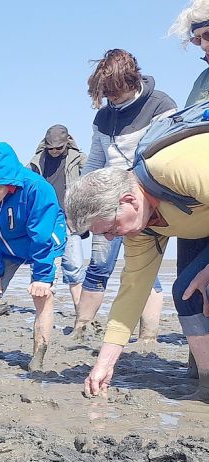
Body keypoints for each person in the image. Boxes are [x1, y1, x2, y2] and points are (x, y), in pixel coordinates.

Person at [65, 138, 209, 401]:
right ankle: (206, 387)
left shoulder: (175, 169)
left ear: (129, 200)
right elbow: (132, 293)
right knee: (188, 292)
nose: (111, 238)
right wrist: (105, 364)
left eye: (110, 228)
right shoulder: (140, 230)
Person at [72, 50, 176, 349]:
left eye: (115, 93)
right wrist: (81, 198)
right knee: (98, 266)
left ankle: (147, 337)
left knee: (145, 270)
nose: (111, 100)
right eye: (106, 95)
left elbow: (163, 155)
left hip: (145, 200)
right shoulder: (104, 116)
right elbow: (94, 162)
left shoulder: (161, 105)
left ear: (131, 80)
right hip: (107, 202)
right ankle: (81, 329)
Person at [0, 143, 67, 371]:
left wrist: (42, 276)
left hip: (44, 240)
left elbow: (41, 235)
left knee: (42, 296)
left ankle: (37, 361)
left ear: (9, 181)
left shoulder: (37, 188)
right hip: (6, 246)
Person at [169, 1, 209, 377]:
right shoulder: (201, 82)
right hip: (195, 201)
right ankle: (199, 367)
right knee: (189, 289)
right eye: (198, 40)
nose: (203, 45)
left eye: (208, 35)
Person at [27, 124, 87, 308]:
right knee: (42, 266)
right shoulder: (35, 162)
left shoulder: (80, 159)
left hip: (70, 220)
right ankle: (43, 311)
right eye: (50, 147)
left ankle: (81, 315)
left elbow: (92, 183)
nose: (53, 151)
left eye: (58, 148)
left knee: (75, 268)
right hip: (44, 220)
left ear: (67, 143)